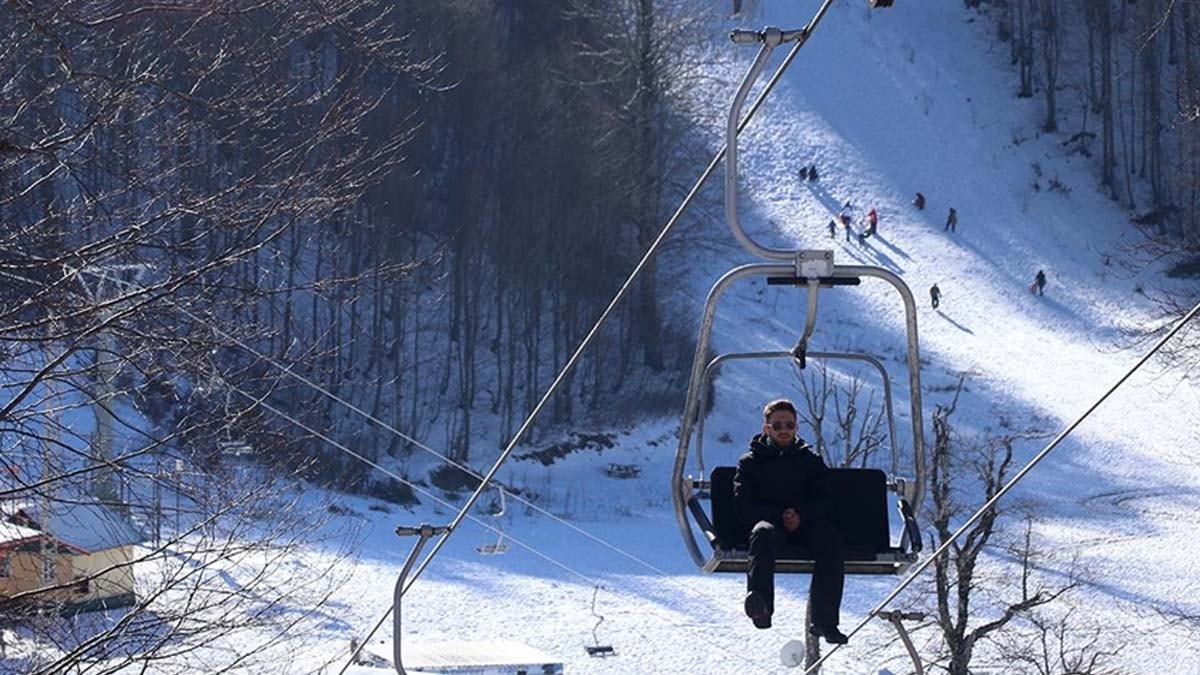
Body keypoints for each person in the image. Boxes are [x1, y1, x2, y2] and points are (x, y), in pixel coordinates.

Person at [735, 399, 847, 643]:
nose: (784, 430)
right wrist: (781, 516)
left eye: (789, 425)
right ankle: (761, 605)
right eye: (777, 426)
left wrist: (801, 516)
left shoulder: (811, 462)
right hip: (771, 525)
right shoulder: (750, 464)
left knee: (830, 538)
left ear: (796, 428)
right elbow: (743, 506)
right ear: (767, 429)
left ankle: (825, 622)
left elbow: (826, 501)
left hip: (805, 525)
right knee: (762, 534)